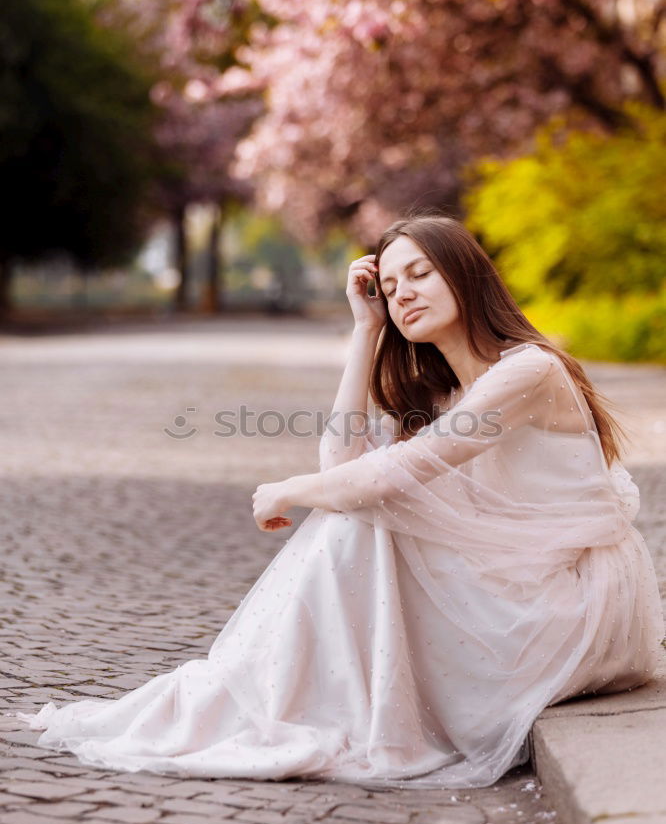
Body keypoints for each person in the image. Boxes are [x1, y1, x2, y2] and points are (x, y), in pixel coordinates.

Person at [9, 213, 664, 790]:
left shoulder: (529, 369)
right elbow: (344, 465)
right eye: (391, 284)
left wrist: (288, 491)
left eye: (421, 274)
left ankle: (286, 702)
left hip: (572, 601)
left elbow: (392, 474)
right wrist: (364, 331)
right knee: (365, 508)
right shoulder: (438, 395)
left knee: (376, 508)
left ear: (465, 277)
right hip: (515, 583)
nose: (404, 292)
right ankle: (281, 698)